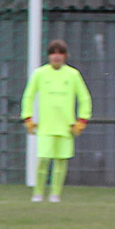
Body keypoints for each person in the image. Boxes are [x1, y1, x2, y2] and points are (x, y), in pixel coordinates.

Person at [21, 39, 92, 203]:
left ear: (65, 56)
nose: (57, 57)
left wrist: (82, 120)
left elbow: (84, 98)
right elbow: (28, 96)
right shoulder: (40, 73)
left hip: (66, 127)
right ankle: (38, 193)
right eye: (53, 53)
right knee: (43, 161)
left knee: (61, 162)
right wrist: (28, 118)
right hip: (45, 126)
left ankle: (55, 194)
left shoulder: (73, 75)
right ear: (49, 56)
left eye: (60, 53)